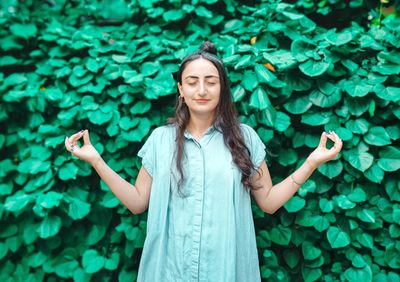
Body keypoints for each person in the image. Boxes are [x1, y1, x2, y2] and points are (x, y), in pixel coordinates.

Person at [64, 41, 343, 281]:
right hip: (169, 271)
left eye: (211, 81)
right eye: (192, 82)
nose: (202, 90)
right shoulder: (160, 140)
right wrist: (96, 160)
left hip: (225, 270)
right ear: (180, 89)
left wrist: (313, 162)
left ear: (222, 88)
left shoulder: (244, 138)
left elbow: (268, 202)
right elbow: (137, 202)